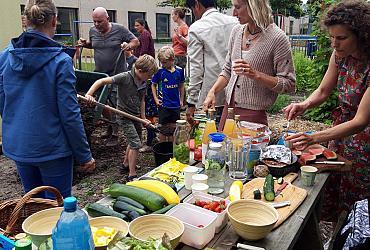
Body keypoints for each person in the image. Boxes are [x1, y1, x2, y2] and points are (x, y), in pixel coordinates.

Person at [284, 0, 370, 222]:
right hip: (340, 133)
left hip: (365, 142)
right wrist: (304, 105)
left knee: (357, 199)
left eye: (341, 38)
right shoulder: (339, 56)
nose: (334, 44)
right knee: (332, 187)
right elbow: (323, 90)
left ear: (361, 35)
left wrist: (313, 138)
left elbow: (361, 120)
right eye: (331, 37)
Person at [0, 0, 95, 198]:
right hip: (53, 149)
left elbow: (3, 101)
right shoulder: (61, 61)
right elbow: (69, 114)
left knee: (34, 207)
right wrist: (84, 155)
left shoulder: (6, 56)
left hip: (20, 145)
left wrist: (17, 122)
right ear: (54, 21)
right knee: (56, 209)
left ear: (25, 20)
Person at [203, 0, 296, 128]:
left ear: (253, 6)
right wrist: (212, 91)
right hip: (229, 110)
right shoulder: (236, 32)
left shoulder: (278, 38)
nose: (234, 13)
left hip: (253, 116)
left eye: (237, 7)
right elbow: (228, 70)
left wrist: (256, 75)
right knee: (224, 147)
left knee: (247, 148)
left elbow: (289, 84)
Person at [85, 55, 158, 182]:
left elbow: (142, 101)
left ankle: (126, 164)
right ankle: (132, 174)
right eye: (149, 74)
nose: (150, 77)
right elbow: (101, 81)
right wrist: (89, 94)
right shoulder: (124, 77)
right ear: (140, 71)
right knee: (135, 143)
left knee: (134, 140)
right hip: (124, 116)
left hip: (135, 116)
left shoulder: (144, 81)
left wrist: (144, 117)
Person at [78, 7, 139, 146]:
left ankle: (116, 133)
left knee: (114, 103)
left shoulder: (120, 29)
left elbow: (136, 41)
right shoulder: (93, 31)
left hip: (117, 74)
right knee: (101, 103)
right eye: (94, 21)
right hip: (100, 74)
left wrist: (128, 46)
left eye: (100, 21)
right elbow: (94, 45)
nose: (96, 24)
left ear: (108, 19)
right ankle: (110, 127)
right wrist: (86, 44)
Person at [185, 0, 238, 126]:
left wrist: (191, 102)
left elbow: (196, 69)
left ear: (197, 4)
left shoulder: (197, 28)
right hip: (235, 91)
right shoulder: (235, 22)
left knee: (211, 137)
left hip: (211, 97)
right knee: (233, 134)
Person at [133, 19, 158, 153]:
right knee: (148, 113)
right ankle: (151, 137)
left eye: (137, 25)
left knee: (149, 113)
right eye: (135, 25)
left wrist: (135, 60)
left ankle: (150, 140)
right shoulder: (143, 34)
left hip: (146, 69)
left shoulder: (145, 35)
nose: (136, 27)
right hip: (145, 69)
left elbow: (143, 53)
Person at [151, 46, 185, 142]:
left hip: (175, 105)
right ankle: (162, 148)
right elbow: (153, 85)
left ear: (172, 59)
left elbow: (182, 86)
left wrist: (181, 100)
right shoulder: (160, 71)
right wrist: (156, 99)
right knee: (163, 128)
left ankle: (171, 149)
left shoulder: (179, 71)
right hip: (163, 104)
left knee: (174, 127)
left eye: (164, 62)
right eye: (161, 62)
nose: (162, 64)